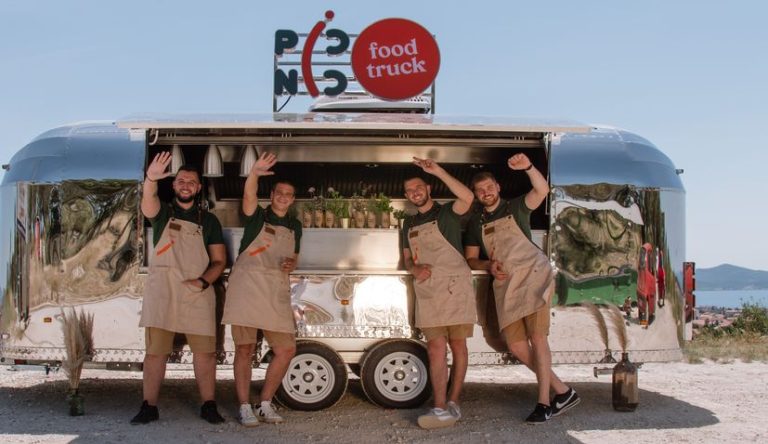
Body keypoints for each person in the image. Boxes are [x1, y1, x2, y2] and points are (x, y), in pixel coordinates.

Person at [464, 153, 580, 424]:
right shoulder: (475, 223)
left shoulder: (516, 207)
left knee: (537, 338)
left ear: (498, 187)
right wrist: (488, 265)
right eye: (480, 190)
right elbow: (471, 258)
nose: (486, 192)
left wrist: (527, 167)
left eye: (489, 187)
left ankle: (544, 403)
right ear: (476, 194)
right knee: (516, 346)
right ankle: (563, 391)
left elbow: (542, 190)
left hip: (533, 276)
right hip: (505, 284)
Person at [131, 152, 227, 425]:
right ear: (173, 185)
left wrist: (203, 281)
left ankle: (209, 405)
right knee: (155, 353)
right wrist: (151, 179)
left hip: (197, 293)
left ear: (198, 188)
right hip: (163, 292)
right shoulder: (162, 213)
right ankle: (149, 406)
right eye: (181, 180)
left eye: (191, 182)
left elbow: (219, 261)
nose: (186, 185)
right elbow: (148, 203)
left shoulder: (209, 221)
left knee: (205, 354)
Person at [222, 152, 301, 427]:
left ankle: (265, 402)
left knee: (286, 349)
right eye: (280, 193)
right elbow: (248, 196)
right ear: (272, 195)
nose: (283, 197)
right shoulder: (257, 216)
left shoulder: (295, 225)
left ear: (293, 199)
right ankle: (244, 406)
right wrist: (254, 173)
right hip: (247, 288)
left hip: (275, 290)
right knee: (245, 349)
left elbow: (295, 256)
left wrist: (293, 263)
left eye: (288, 194)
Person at [401, 157, 477, 429]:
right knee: (435, 349)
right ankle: (439, 406)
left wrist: (438, 170)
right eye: (410, 191)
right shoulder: (408, 224)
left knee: (458, 346)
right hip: (429, 291)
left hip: (455, 288)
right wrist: (414, 269)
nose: (415, 193)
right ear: (407, 196)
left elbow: (468, 197)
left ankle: (454, 401)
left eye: (419, 187)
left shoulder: (446, 213)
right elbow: (407, 258)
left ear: (429, 189)